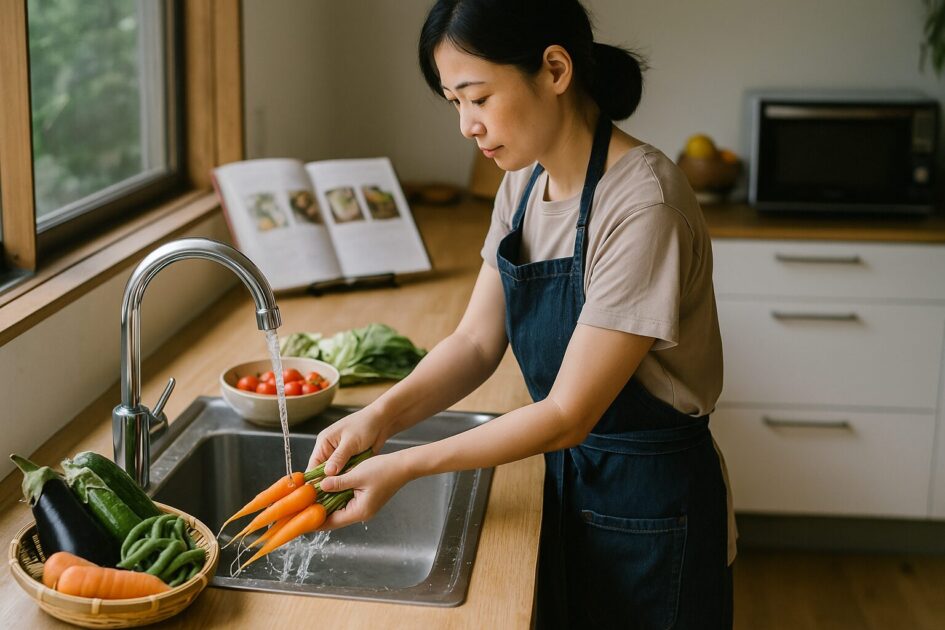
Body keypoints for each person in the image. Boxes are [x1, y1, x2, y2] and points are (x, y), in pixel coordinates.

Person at [310, 1, 735, 627]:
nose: (466, 126)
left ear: (555, 69)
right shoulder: (524, 183)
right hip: (568, 483)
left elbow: (567, 414)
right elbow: (477, 343)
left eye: (477, 98)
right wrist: (379, 416)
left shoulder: (643, 204)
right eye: (454, 103)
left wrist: (404, 464)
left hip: (651, 511)